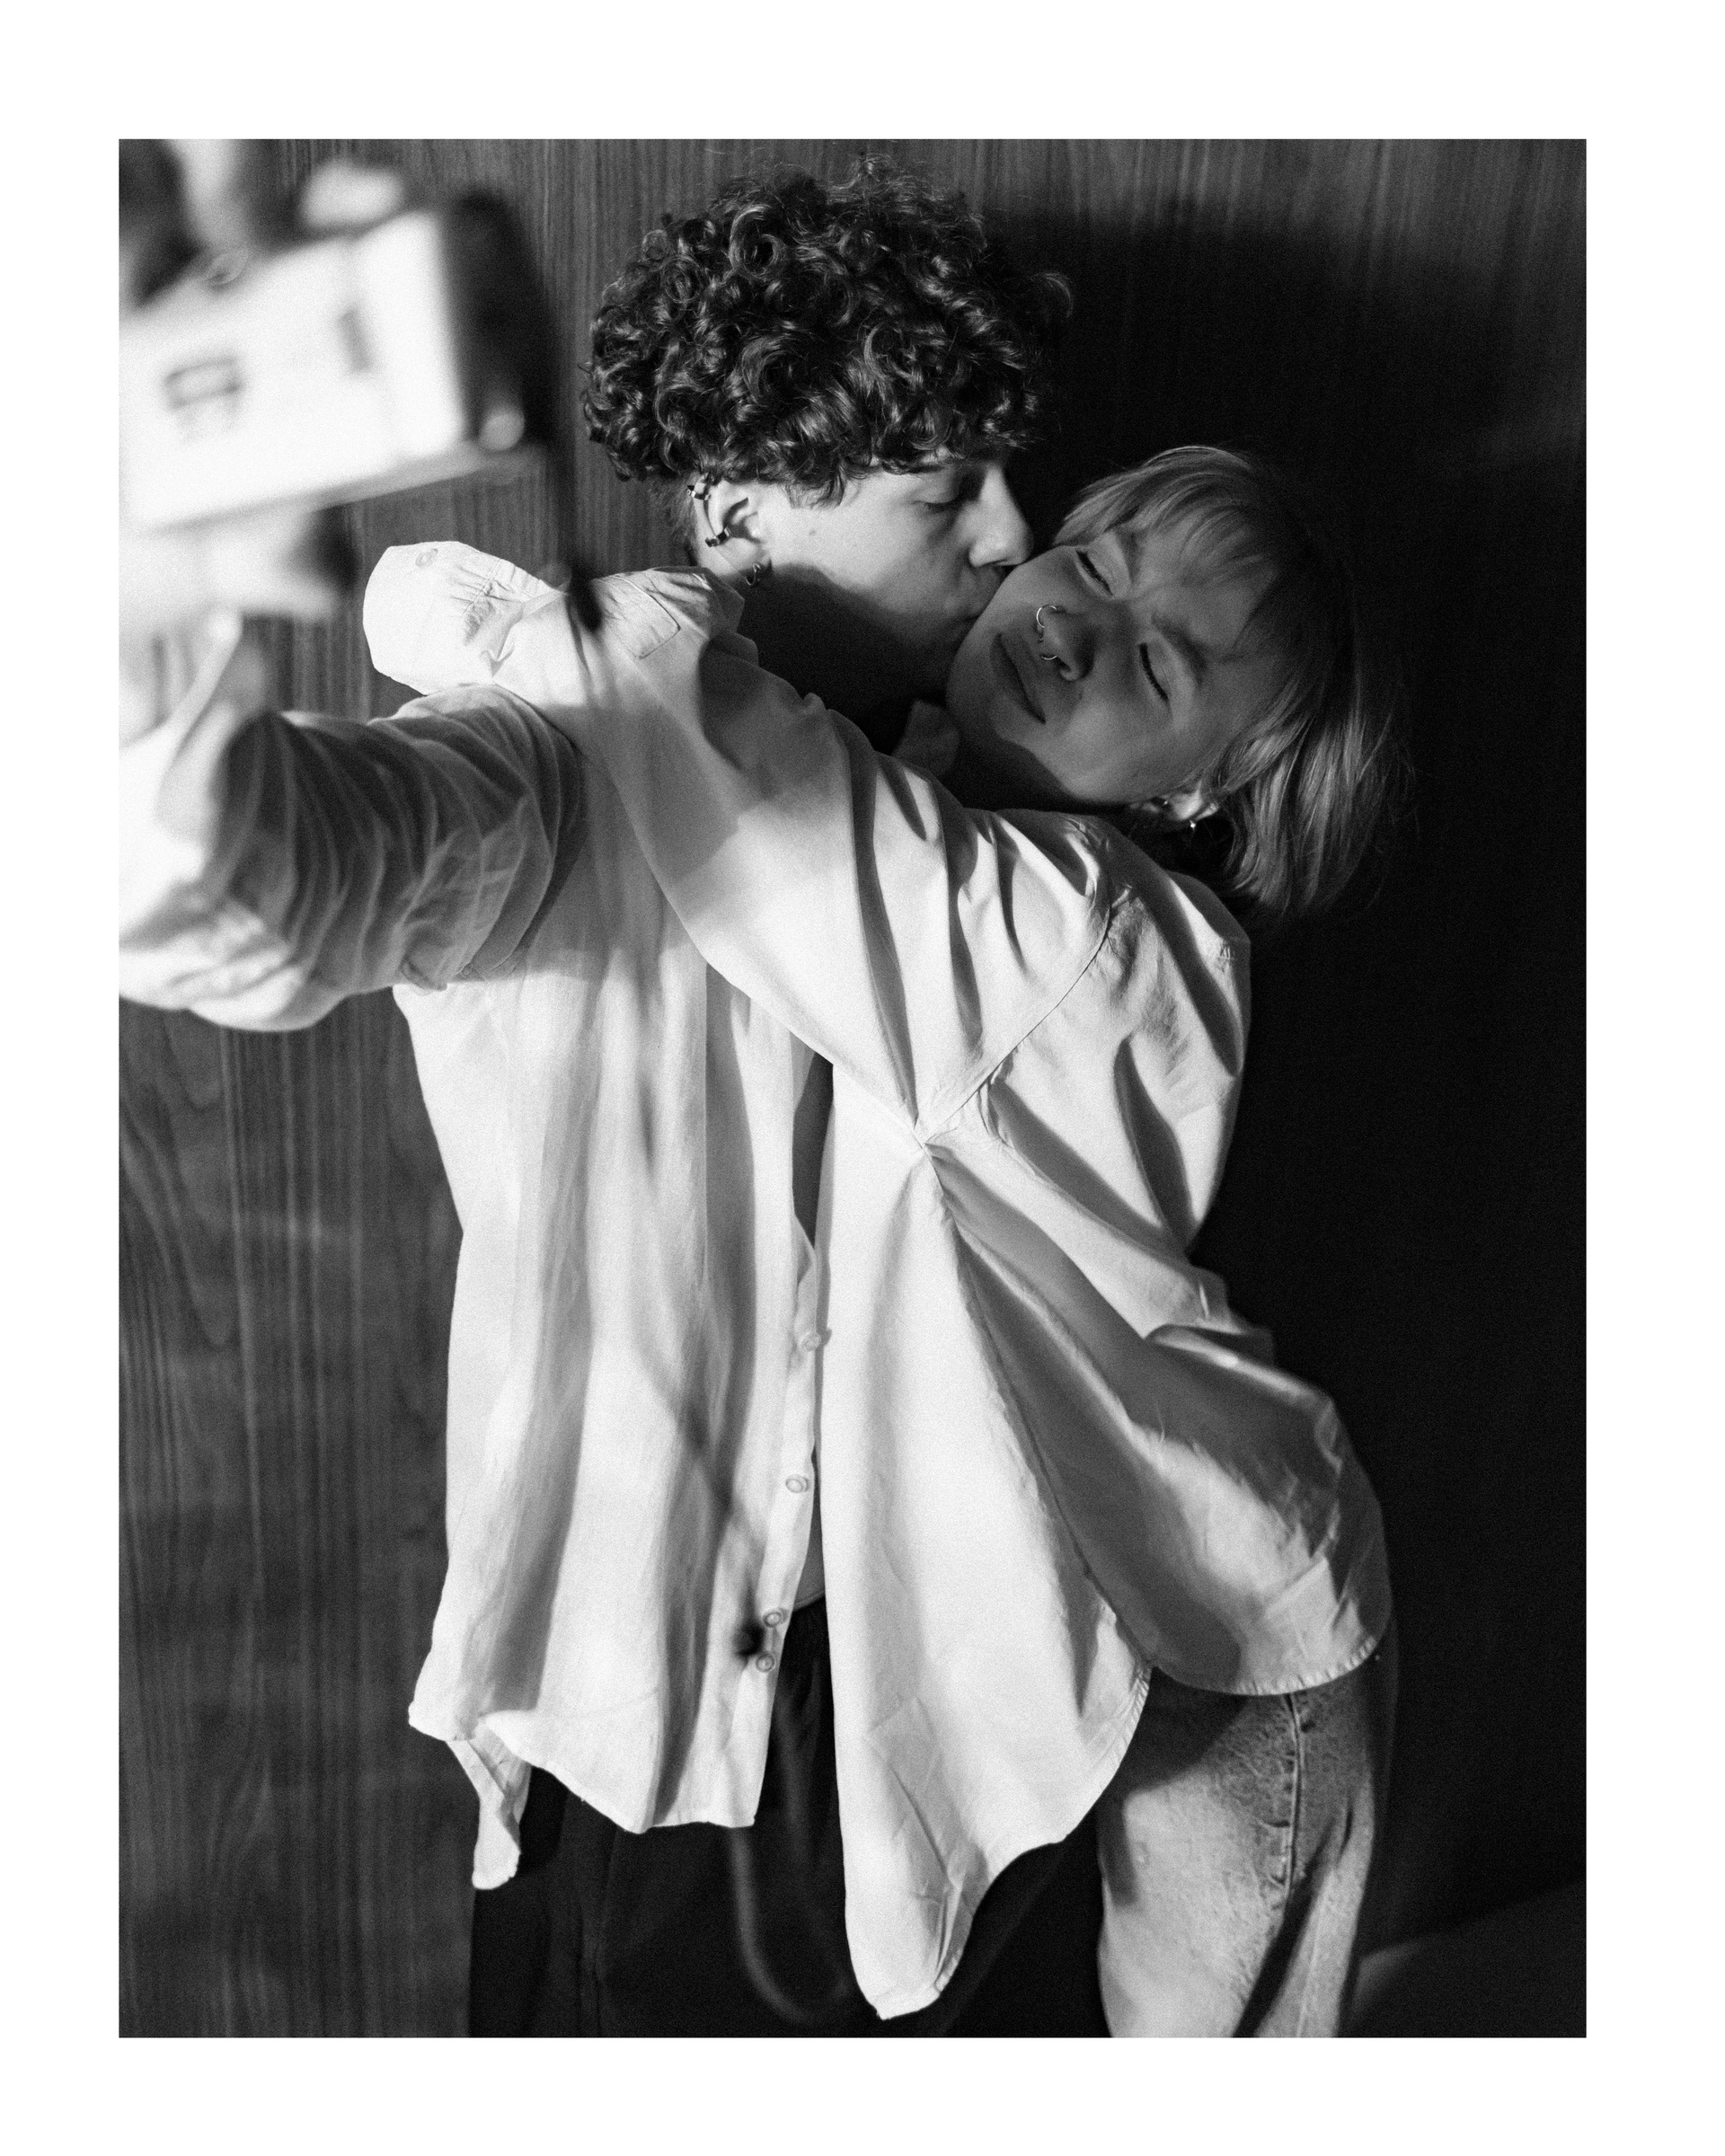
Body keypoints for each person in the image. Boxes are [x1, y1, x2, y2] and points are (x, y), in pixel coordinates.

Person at [122, 158, 1107, 2034]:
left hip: (960, 1703)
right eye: (945, 488)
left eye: (1012, 474)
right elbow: (240, 901)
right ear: (734, 504)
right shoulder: (551, 754)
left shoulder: (994, 810)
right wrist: (140, 603)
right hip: (654, 1727)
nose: (1016, 531)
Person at [362, 441, 1403, 2037]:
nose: (1074, 628)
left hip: (1242, 1648)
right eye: (1094, 567)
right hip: (1131, 1591)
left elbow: (739, 782)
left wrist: (480, 610)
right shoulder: (932, 791)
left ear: (1199, 791)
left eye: (1158, 665)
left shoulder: (1085, 935)